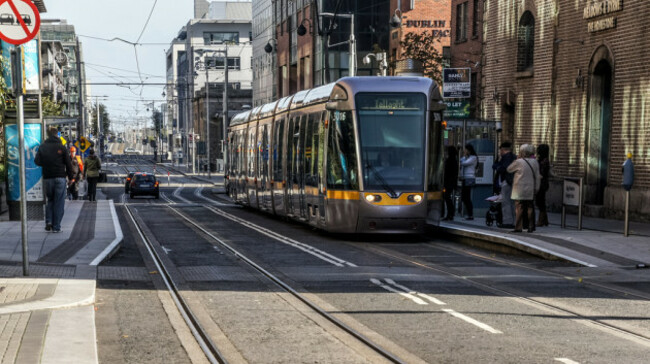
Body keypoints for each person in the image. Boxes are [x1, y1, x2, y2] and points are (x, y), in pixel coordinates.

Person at [34, 127, 74, 233]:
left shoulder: (43, 147)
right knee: (59, 202)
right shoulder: (62, 147)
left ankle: (49, 222)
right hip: (60, 177)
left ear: (48, 135)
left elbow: (37, 161)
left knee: (50, 200)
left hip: (48, 178)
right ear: (57, 134)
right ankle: (56, 227)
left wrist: (47, 163)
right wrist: (71, 178)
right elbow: (68, 164)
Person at [507, 144, 541, 233]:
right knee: (530, 207)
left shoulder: (519, 162)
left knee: (519, 207)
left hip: (519, 188)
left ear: (522, 152)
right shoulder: (535, 162)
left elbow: (509, 169)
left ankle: (518, 227)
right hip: (530, 188)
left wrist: (516, 159)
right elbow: (537, 176)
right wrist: (536, 187)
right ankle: (531, 226)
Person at [492, 141, 516, 228]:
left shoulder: (506, 157)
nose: (499, 153)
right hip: (512, 181)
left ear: (503, 150)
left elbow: (502, 169)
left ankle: (507, 222)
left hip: (506, 181)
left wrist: (496, 165)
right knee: (512, 202)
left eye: (500, 151)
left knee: (506, 202)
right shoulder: (513, 157)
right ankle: (513, 221)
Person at [460, 144, 478, 220]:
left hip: (469, 178)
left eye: (465, 150)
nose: (464, 151)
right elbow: (462, 161)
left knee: (466, 196)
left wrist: (464, 158)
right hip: (465, 177)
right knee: (464, 197)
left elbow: (464, 163)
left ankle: (470, 214)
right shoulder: (467, 157)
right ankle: (469, 214)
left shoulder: (473, 158)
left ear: (469, 150)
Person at [536, 144, 551, 227]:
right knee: (541, 201)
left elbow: (541, 173)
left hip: (542, 184)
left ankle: (541, 220)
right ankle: (545, 220)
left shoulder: (544, 161)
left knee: (540, 201)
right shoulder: (544, 160)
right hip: (543, 183)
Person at [443, 146, 459, 221]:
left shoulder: (450, 160)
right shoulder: (454, 160)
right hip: (451, 182)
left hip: (448, 182)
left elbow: (448, 172)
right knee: (447, 197)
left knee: (447, 197)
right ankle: (450, 213)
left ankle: (450, 213)